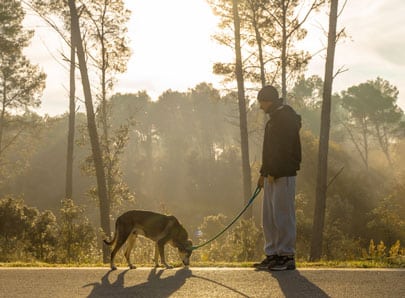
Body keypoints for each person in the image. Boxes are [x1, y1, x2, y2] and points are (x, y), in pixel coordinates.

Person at [253, 85, 302, 271]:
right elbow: (269, 151)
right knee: (269, 217)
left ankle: (287, 256)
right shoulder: (273, 120)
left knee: (283, 215)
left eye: (261, 102)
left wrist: (275, 171)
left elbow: (285, 150)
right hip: (271, 175)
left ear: (269, 101)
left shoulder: (286, 119)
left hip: (284, 174)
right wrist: (264, 173)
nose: (260, 107)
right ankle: (272, 254)